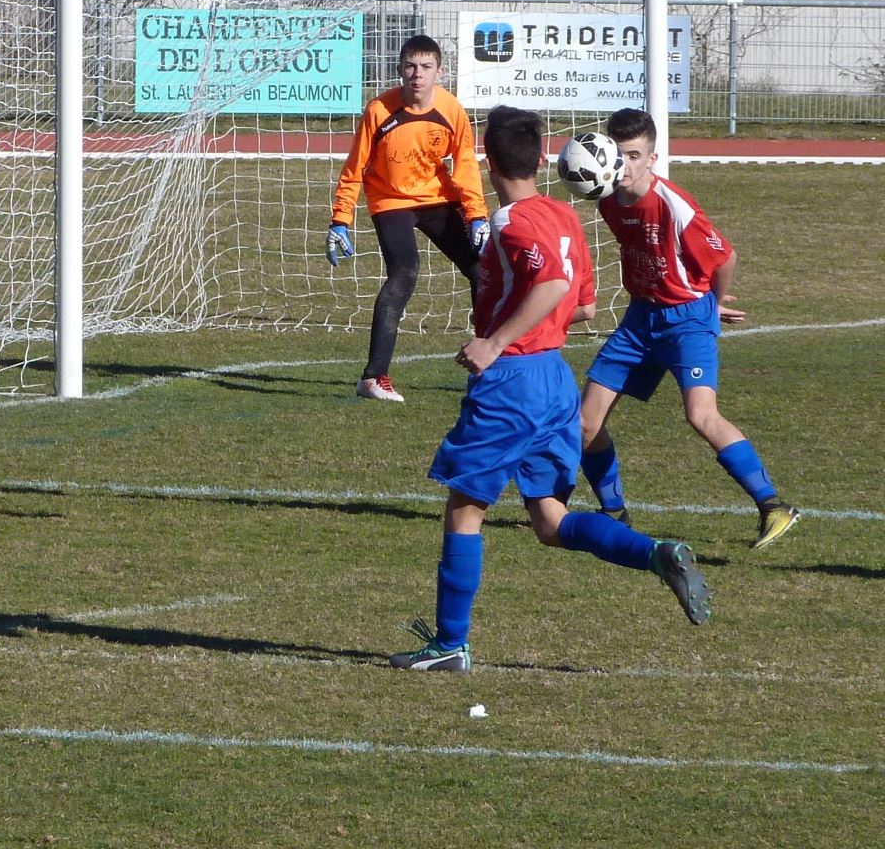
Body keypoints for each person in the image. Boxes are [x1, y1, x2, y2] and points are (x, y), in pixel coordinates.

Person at [390, 106, 709, 672]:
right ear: (542, 159)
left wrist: (495, 340)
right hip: (555, 379)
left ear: (487, 162)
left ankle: (449, 644)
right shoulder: (564, 214)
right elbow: (583, 306)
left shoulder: (510, 223)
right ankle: (656, 553)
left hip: (512, 381)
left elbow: (554, 283)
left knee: (465, 509)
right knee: (551, 521)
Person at [577, 107, 799, 548]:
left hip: (687, 320)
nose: (626, 165)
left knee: (700, 414)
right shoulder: (607, 200)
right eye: (619, 155)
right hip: (640, 320)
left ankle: (773, 506)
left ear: (652, 158)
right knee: (584, 423)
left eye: (635, 156)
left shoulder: (673, 205)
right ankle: (614, 512)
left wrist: (711, 304)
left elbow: (726, 257)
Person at [325, 34, 488, 402]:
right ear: (399, 70)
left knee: (482, 270)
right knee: (405, 272)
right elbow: (354, 168)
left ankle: (486, 365)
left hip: (438, 199)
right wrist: (340, 220)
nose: (418, 74)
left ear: (439, 72)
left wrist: (476, 215)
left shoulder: (452, 111)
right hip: (391, 201)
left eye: (426, 67)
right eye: (411, 67)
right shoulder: (379, 111)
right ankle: (373, 378)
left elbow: (465, 165)